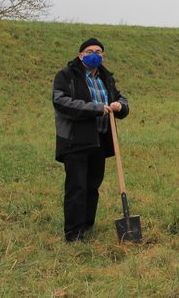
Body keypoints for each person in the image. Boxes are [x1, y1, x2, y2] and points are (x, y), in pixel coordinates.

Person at [52, 38, 130, 242]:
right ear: (80, 55)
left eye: (98, 51)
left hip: (100, 141)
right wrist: (94, 108)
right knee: (76, 187)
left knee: (92, 185)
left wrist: (120, 106)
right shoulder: (66, 76)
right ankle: (73, 233)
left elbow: (121, 99)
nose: (94, 54)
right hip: (75, 141)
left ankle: (87, 225)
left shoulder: (106, 77)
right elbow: (61, 102)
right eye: (89, 51)